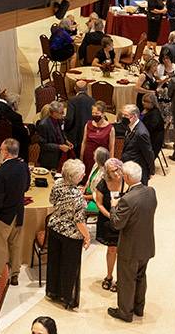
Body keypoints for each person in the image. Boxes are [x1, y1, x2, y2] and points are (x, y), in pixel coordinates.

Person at [107, 161, 156, 323]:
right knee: (141, 277)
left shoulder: (127, 200)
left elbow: (116, 224)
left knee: (127, 280)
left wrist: (114, 206)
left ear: (127, 177)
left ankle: (125, 312)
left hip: (130, 248)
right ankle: (139, 308)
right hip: (146, 244)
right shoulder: (151, 192)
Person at [43, 159, 89, 310]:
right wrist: (87, 237)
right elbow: (79, 222)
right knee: (69, 267)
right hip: (71, 235)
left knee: (55, 262)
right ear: (76, 177)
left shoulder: (57, 184)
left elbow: (52, 200)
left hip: (55, 228)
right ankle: (67, 297)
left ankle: (53, 291)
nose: (83, 175)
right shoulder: (78, 198)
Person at [0, 137, 30, 287]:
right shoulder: (23, 166)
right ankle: (15, 275)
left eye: (0, 150)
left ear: (5, 152)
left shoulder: (1, 172)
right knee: (15, 245)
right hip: (18, 212)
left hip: (3, 215)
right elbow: (26, 187)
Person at [91, 157, 124, 292]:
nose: (116, 174)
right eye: (112, 172)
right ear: (107, 173)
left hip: (123, 221)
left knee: (123, 252)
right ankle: (109, 276)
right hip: (108, 221)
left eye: (117, 170)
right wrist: (110, 216)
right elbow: (99, 203)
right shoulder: (103, 183)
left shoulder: (126, 181)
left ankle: (121, 279)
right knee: (111, 250)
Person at [117, 104, 154, 183]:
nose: (123, 117)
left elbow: (148, 153)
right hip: (129, 164)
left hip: (138, 167)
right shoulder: (130, 125)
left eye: (126, 115)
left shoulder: (141, 133)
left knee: (140, 191)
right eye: (123, 115)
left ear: (135, 116)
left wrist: (151, 170)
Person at [34, 100, 72, 170]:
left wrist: (66, 141)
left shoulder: (59, 120)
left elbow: (61, 132)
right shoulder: (43, 125)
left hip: (59, 156)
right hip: (49, 158)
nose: (63, 114)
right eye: (61, 112)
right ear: (54, 113)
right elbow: (43, 145)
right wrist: (59, 147)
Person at [80, 100, 112, 174]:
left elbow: (111, 147)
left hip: (102, 158)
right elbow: (84, 142)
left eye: (97, 113)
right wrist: (81, 157)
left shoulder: (110, 128)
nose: (94, 115)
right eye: (93, 113)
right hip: (88, 156)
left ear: (103, 114)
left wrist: (110, 163)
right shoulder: (88, 124)